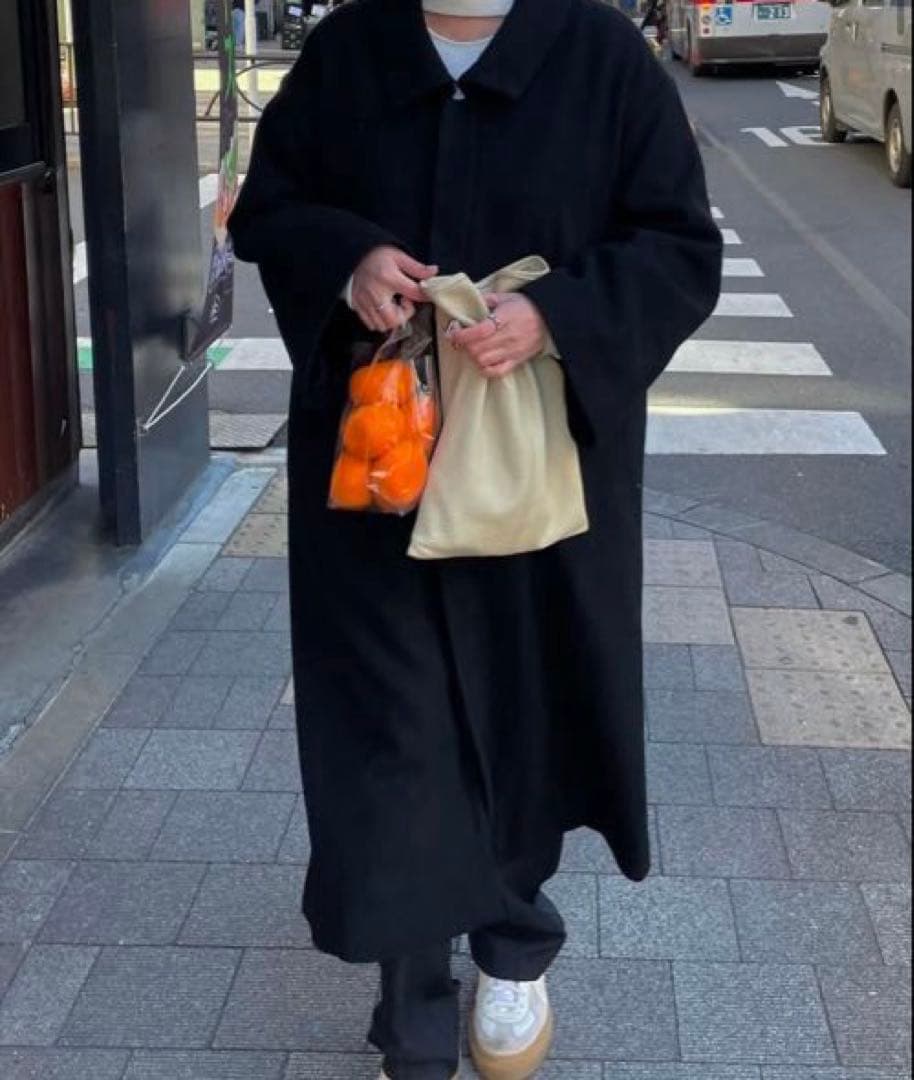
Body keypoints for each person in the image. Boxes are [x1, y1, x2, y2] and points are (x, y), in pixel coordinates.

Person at [228, 0, 722, 1077]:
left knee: (524, 705)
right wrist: (350, 258)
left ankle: (513, 942)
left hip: (538, 471)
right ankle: (411, 1000)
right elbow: (269, 208)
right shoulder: (349, 47)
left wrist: (557, 318)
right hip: (374, 469)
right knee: (392, 729)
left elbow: (680, 245)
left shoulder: (598, 54)